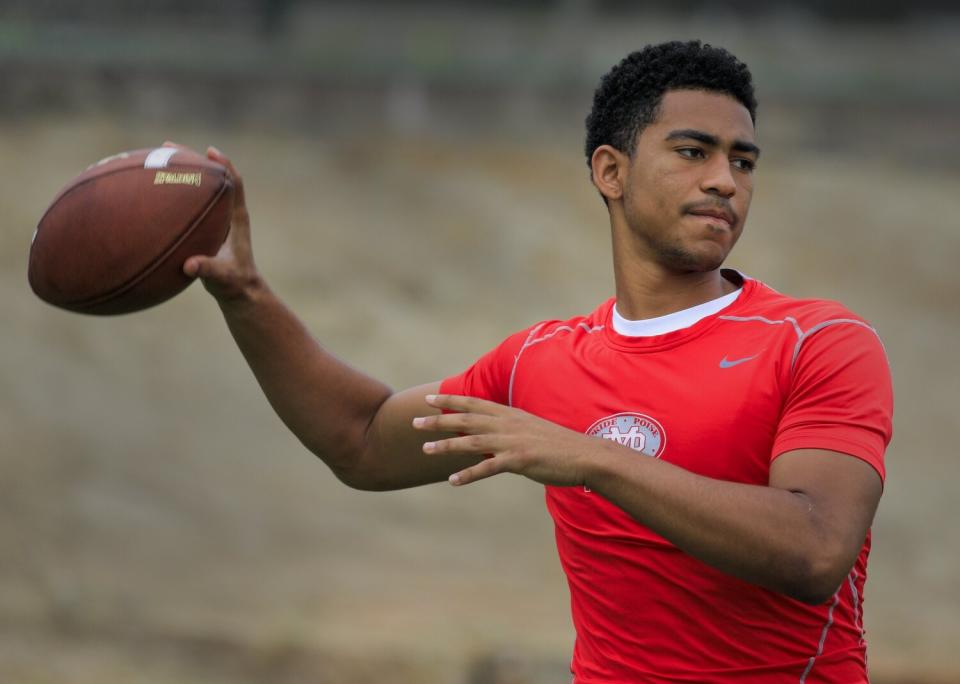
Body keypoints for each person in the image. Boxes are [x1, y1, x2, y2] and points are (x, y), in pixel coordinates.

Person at [180, 40, 893, 683]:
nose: (725, 181)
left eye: (742, 161)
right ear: (610, 171)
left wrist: (592, 458)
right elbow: (362, 441)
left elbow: (815, 551)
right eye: (692, 151)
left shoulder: (818, 341)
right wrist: (247, 299)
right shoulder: (541, 362)